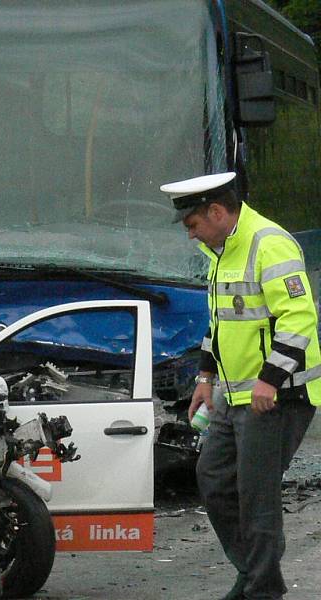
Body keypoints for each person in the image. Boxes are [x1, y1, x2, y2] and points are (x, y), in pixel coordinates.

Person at [162, 172, 320, 600]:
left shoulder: (268, 243)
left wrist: (270, 381)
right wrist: (204, 378)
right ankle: (256, 574)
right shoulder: (222, 250)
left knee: (256, 494)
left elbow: (299, 318)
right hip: (234, 393)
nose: (191, 236)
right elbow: (221, 324)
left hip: (278, 395)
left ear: (216, 212)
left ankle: (260, 588)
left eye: (193, 225)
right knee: (213, 478)